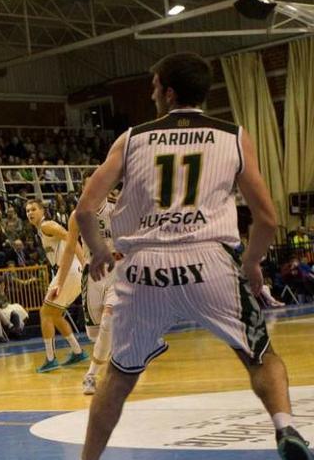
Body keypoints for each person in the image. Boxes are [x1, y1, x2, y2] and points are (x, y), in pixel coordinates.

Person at [77, 52, 313, 460]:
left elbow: (84, 209)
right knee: (260, 357)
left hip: (143, 265)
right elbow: (268, 218)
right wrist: (252, 263)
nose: (152, 94)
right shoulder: (233, 136)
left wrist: (98, 251)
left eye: (154, 87)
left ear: (168, 93)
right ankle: (285, 426)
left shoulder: (131, 138)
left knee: (118, 376)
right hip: (209, 261)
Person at [50, 173, 118, 395]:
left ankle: (90, 375)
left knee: (109, 321)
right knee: (96, 335)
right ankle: (121, 348)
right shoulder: (77, 215)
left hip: (118, 271)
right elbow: (69, 249)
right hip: (92, 274)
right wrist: (58, 283)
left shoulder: (120, 208)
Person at [25, 198, 88, 372]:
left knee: (45, 313)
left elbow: (71, 237)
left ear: (42, 211)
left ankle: (50, 359)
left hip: (70, 271)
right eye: (27, 210)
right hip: (71, 272)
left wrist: (85, 263)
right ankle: (77, 351)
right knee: (56, 315)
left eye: (33, 209)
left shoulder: (47, 225)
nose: (30, 213)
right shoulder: (41, 231)